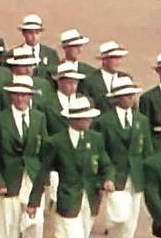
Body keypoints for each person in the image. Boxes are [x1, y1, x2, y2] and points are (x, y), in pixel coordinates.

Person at [27, 96, 115, 238]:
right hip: (68, 199)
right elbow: (43, 173)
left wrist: (108, 179)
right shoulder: (56, 142)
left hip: (91, 199)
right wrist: (34, 202)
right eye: (84, 118)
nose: (89, 121)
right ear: (73, 120)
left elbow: (106, 164)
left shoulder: (95, 138)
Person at [0, 75, 48, 238]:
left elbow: (44, 152)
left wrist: (44, 179)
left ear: (30, 96)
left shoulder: (39, 118)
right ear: (11, 96)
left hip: (32, 177)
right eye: (17, 94)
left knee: (35, 225)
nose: (21, 98)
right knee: (8, 227)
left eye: (24, 94)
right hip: (8, 179)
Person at [96, 76, 153, 238]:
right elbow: (101, 150)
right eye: (127, 95)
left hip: (136, 173)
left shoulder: (141, 120)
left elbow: (147, 150)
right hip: (115, 173)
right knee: (117, 215)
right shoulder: (104, 121)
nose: (131, 98)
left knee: (132, 216)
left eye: (132, 94)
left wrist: (149, 174)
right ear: (117, 98)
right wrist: (104, 176)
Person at [6, 14, 60, 82]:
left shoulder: (51, 54)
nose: (34, 36)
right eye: (30, 33)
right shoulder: (12, 54)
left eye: (37, 33)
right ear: (23, 33)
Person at [80, 41, 130, 112]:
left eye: (119, 58)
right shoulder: (90, 80)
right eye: (114, 58)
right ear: (104, 60)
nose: (118, 62)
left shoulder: (125, 78)